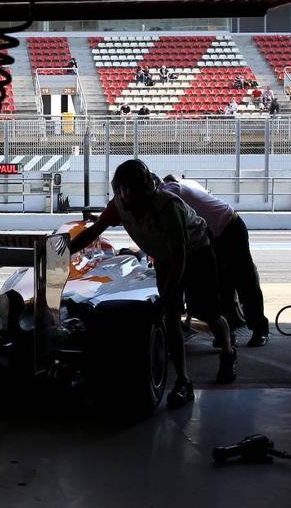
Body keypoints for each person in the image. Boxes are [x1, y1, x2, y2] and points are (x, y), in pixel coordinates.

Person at [68, 159, 236, 409]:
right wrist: (63, 251)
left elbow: (180, 255)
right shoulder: (118, 206)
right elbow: (94, 232)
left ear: (145, 188)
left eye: (132, 189)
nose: (127, 195)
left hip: (196, 252)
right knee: (170, 317)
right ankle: (183, 381)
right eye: (123, 189)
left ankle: (229, 352)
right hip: (165, 257)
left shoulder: (167, 207)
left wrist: (169, 292)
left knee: (206, 311)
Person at [161, 174, 270, 346]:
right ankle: (229, 332)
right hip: (216, 231)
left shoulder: (171, 190)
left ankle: (259, 329)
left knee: (244, 279)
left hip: (229, 227)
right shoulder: (188, 183)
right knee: (221, 283)